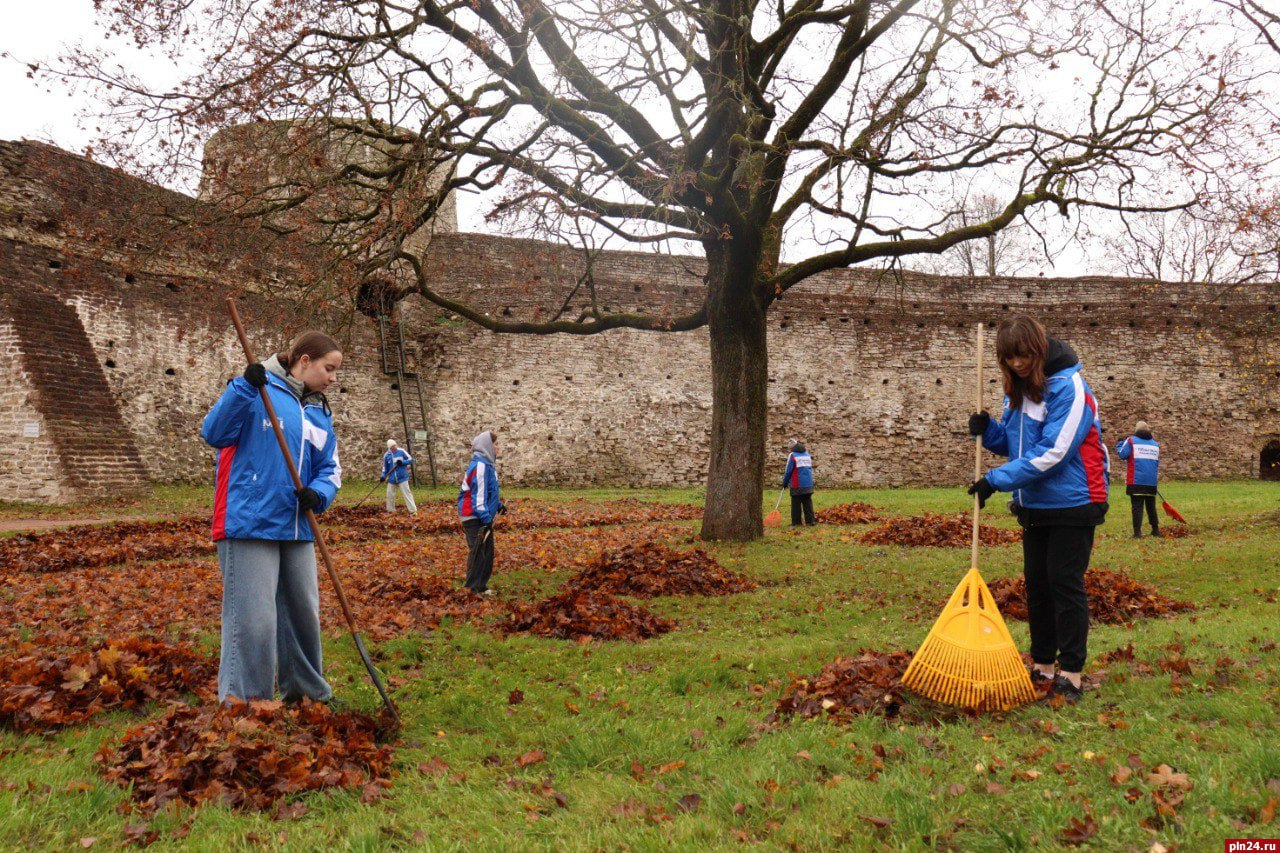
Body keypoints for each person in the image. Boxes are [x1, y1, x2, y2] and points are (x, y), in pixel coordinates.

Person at [967, 315, 1109, 705]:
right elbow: (1015, 445)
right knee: (1038, 586)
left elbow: (1055, 451)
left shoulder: (1069, 387)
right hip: (1034, 504)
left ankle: (1072, 673)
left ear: (1039, 348)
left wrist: (995, 481)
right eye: (1009, 358)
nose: (1017, 364)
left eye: (1023, 355)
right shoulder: (1020, 391)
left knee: (1064, 583)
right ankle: (1043, 663)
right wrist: (988, 429)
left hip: (1075, 500)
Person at [201, 330, 343, 704]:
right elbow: (214, 432)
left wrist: (319, 493)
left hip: (297, 526)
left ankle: (306, 693)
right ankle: (246, 703)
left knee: (303, 615)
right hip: (249, 522)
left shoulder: (317, 412)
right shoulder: (258, 391)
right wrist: (241, 388)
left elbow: (330, 468)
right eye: (329, 369)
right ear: (305, 361)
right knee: (255, 620)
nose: (333, 378)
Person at [458, 430, 505, 595]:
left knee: (487, 551)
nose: (498, 447)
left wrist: (498, 505)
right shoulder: (480, 466)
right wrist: (485, 518)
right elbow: (477, 498)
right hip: (474, 516)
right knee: (478, 552)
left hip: (484, 515)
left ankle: (482, 586)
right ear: (488, 446)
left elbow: (488, 491)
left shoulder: (488, 466)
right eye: (495, 444)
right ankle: (471, 589)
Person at [1116, 421, 1160, 538]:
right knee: (1151, 506)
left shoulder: (1131, 441)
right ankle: (1155, 529)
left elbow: (1122, 455)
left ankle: (1137, 533)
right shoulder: (1155, 444)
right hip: (1151, 482)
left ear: (1136, 430)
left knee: (1137, 506)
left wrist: (1120, 443)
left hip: (1136, 480)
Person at [782, 439, 816, 526]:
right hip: (808, 483)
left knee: (796, 503)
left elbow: (789, 471)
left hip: (797, 484)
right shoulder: (807, 454)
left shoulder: (793, 455)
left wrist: (785, 482)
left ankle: (796, 522)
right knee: (807, 502)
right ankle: (810, 521)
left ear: (792, 448)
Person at [380, 439, 417, 514]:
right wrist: (383, 476)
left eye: (395, 445)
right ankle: (391, 511)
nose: (394, 447)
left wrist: (402, 462)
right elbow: (385, 468)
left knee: (407, 494)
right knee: (390, 495)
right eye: (392, 446)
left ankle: (413, 511)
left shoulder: (401, 451)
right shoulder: (387, 455)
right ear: (389, 447)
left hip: (402, 477)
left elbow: (410, 460)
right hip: (392, 479)